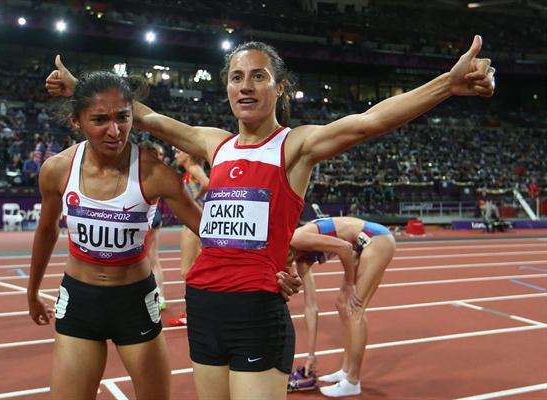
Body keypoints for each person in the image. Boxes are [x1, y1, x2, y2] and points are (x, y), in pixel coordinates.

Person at [46, 36, 495, 399]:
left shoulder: (295, 146)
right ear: (226, 88)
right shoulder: (214, 143)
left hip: (257, 312)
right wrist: (80, 85)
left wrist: (446, 85)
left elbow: (368, 121)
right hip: (204, 305)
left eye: (258, 77)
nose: (246, 86)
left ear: (279, 88)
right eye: (237, 77)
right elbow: (148, 117)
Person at [27, 71, 203, 400]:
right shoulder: (57, 170)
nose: (115, 131)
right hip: (80, 301)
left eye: (123, 118)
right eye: (99, 120)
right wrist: (32, 291)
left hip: (134, 302)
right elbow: (47, 231)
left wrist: (270, 267)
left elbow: (210, 233)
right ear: (76, 121)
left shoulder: (155, 173)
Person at [288, 217, 396, 397]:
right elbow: (310, 307)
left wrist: (350, 282)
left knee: (355, 309)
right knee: (341, 304)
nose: (288, 269)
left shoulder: (297, 238)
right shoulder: (301, 261)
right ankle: (346, 370)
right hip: (358, 248)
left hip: (375, 239)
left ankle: (353, 381)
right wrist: (311, 355)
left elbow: (344, 248)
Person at [141, 140, 168, 310]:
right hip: (154, 214)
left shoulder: (137, 172)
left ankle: (148, 297)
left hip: (143, 216)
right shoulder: (161, 172)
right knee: (153, 258)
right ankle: (160, 297)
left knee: (139, 259)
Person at [174, 149, 209, 279]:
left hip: (195, 223)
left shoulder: (194, 168)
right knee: (193, 269)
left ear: (188, 154)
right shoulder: (189, 171)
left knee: (187, 271)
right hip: (193, 222)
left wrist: (192, 201)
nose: (175, 155)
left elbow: (207, 183)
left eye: (178, 152)